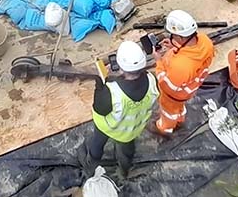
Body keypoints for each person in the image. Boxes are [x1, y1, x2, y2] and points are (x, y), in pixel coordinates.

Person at [78, 41, 158, 179]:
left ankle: (90, 168)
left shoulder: (111, 91)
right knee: (127, 151)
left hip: (108, 127)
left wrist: (102, 82)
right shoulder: (152, 80)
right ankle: (124, 171)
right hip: (131, 130)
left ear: (120, 68)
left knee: (97, 145)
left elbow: (99, 109)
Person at [151, 10, 215, 136]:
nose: (171, 37)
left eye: (173, 35)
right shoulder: (204, 41)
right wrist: (176, 47)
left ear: (180, 37)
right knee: (179, 108)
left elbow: (168, 86)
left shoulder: (181, 66)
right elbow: (191, 53)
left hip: (173, 96)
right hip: (188, 90)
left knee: (169, 112)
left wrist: (158, 62)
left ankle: (165, 129)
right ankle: (180, 119)